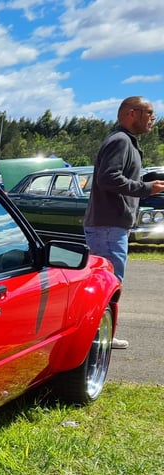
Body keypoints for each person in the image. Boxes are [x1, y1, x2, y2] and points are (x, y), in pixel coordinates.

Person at [84, 96, 164, 349]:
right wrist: (145, 188)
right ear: (131, 113)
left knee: (109, 283)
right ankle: (98, 336)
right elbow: (108, 179)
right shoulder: (120, 141)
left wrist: (146, 182)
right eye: (149, 113)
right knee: (108, 283)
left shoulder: (125, 141)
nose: (153, 118)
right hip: (108, 227)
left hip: (110, 225)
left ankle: (101, 334)